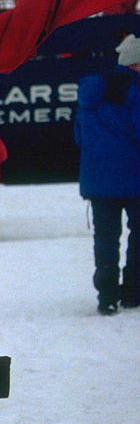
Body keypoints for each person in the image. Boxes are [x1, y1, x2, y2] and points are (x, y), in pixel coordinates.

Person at [74, 33, 140, 315]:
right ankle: (133, 293)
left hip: (98, 182)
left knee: (105, 239)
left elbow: (80, 137)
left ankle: (107, 297)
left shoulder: (89, 94)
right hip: (135, 179)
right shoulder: (136, 90)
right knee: (138, 236)